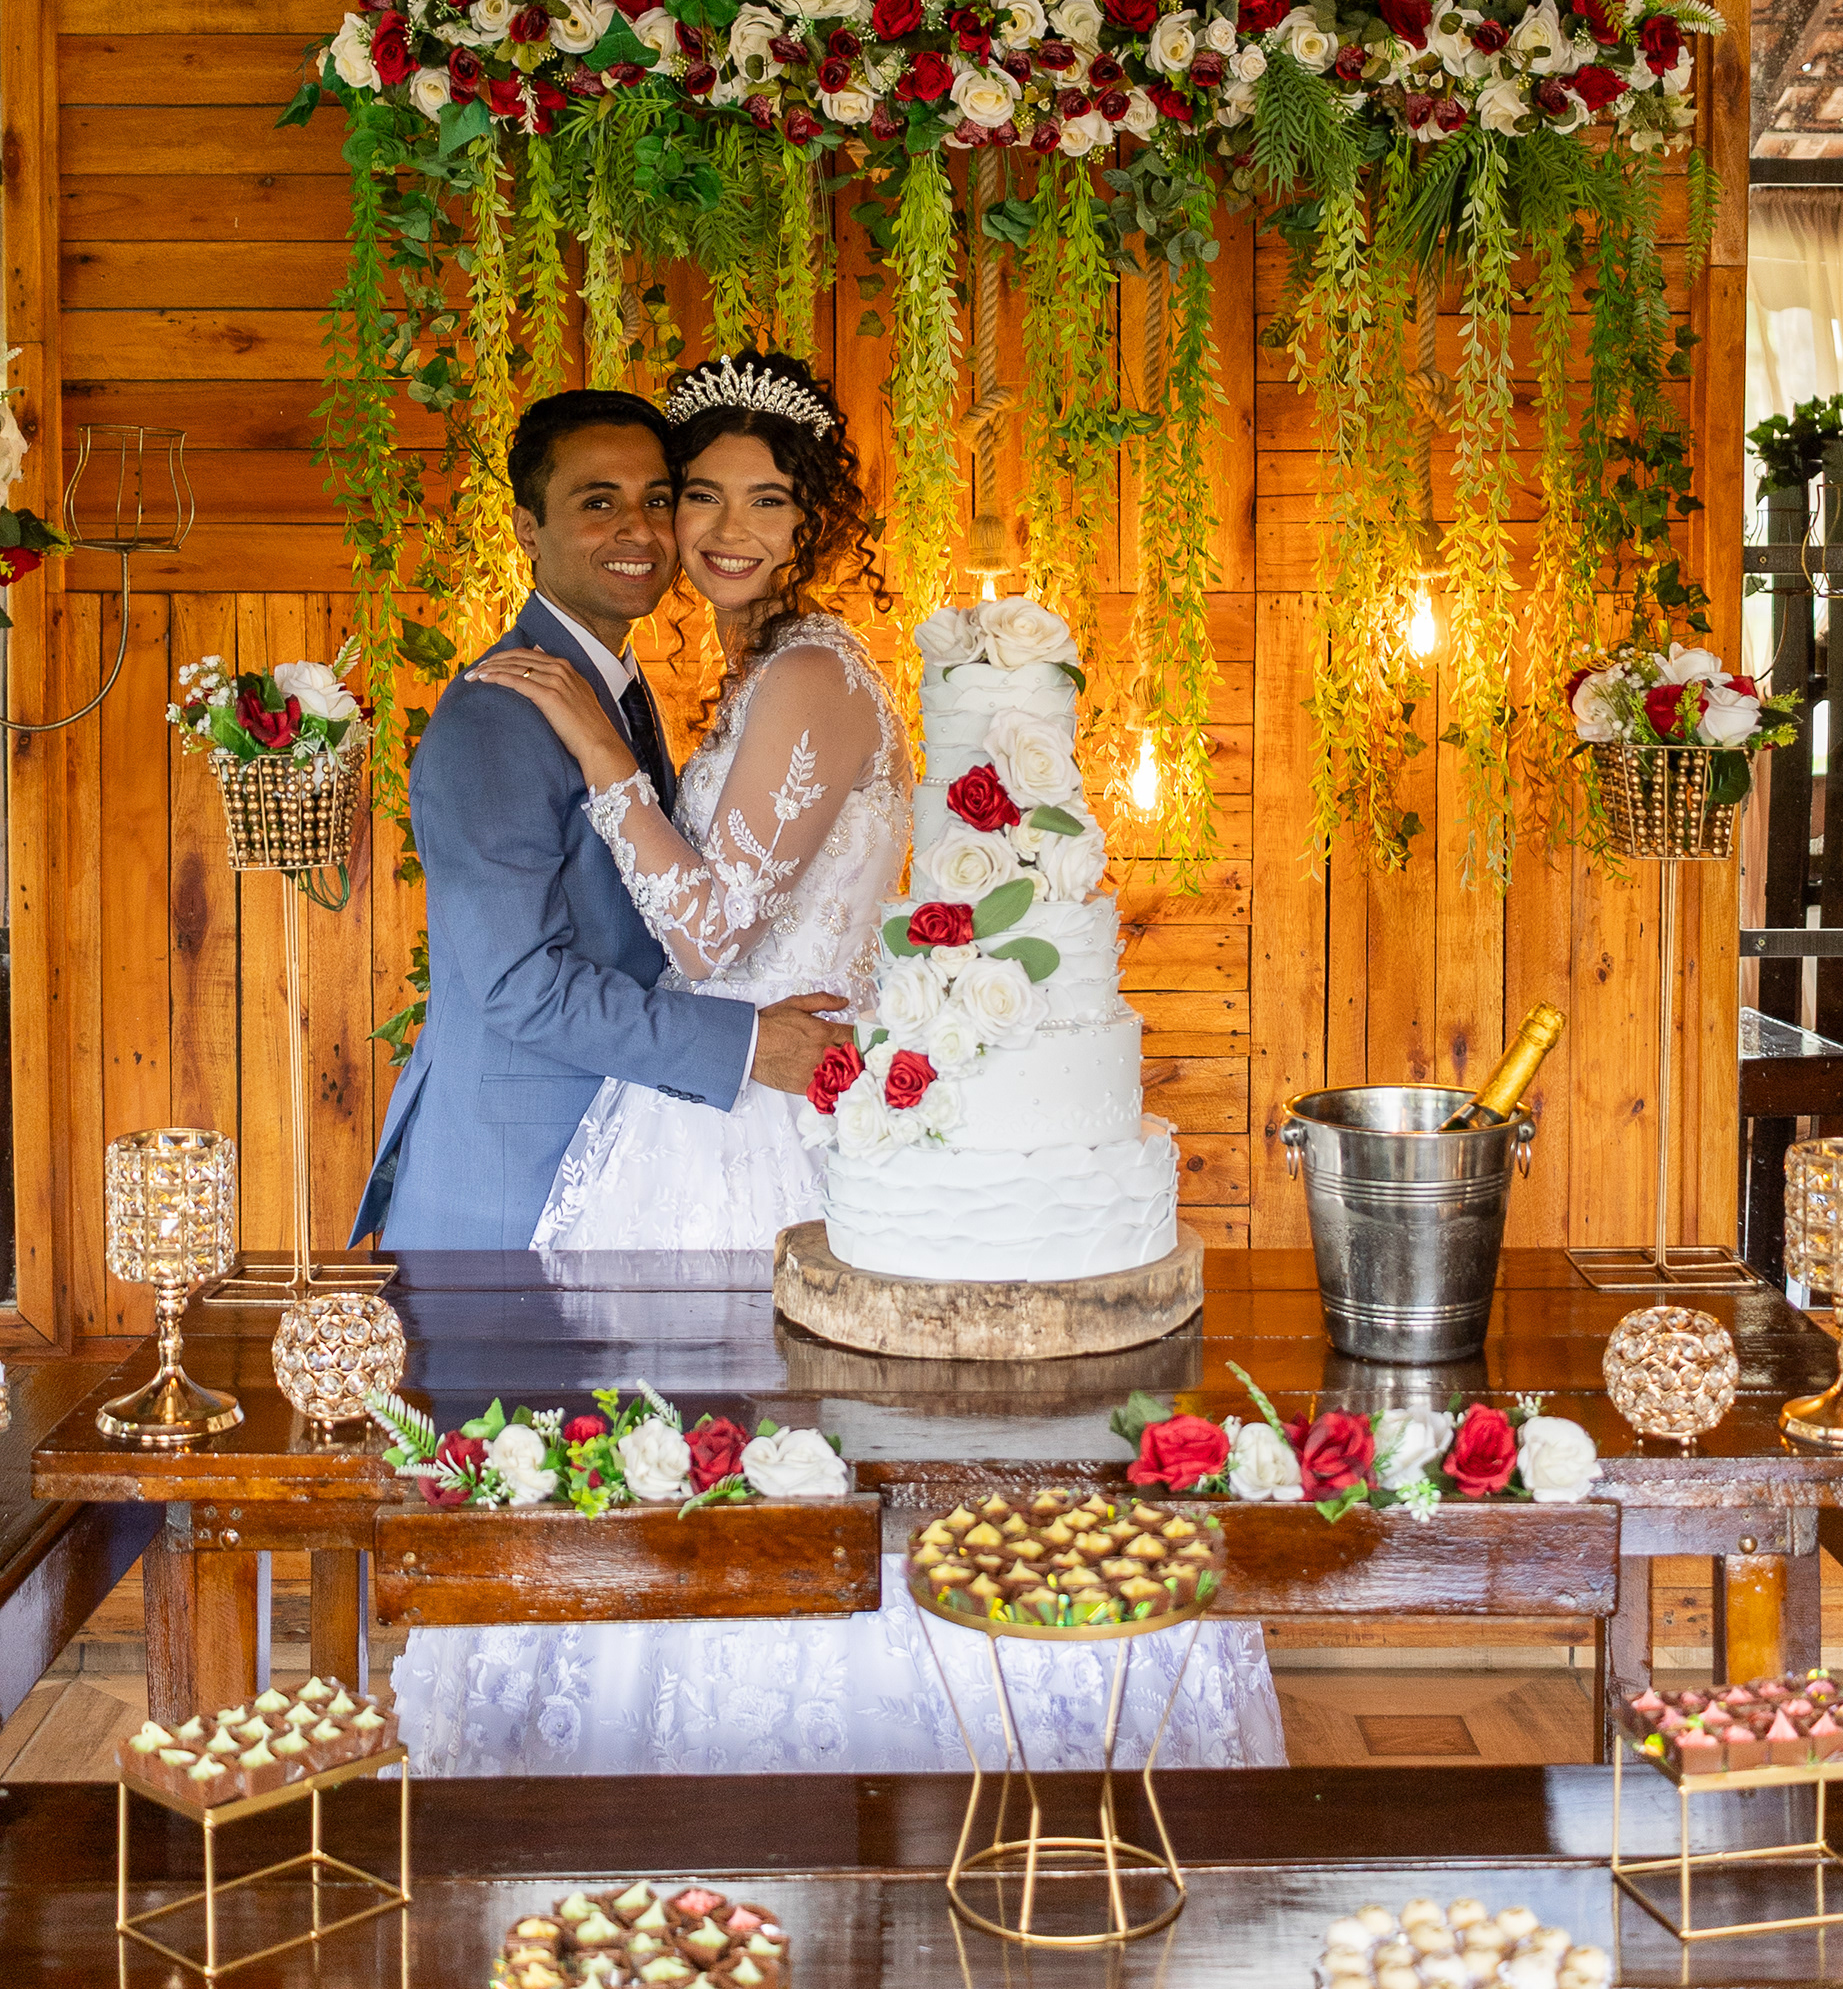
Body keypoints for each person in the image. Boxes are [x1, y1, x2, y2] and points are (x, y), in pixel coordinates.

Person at [391, 350, 1286, 1779]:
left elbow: (707, 926)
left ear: (815, 518)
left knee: (769, 1448)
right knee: (676, 1451)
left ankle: (846, 1751)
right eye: (695, 496)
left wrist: (604, 758)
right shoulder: (636, 689)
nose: (711, 530)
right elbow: (627, 946)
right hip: (715, 1096)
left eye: (761, 500)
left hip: (749, 1117)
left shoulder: (799, 676)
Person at [350, 385, 842, 1252]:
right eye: (598, 503)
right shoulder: (498, 713)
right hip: (514, 1183)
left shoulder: (615, 690)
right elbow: (519, 984)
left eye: (658, 500)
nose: (638, 532)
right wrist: (746, 1045)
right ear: (527, 530)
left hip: (630, 1157)